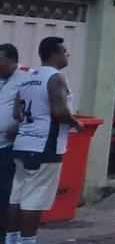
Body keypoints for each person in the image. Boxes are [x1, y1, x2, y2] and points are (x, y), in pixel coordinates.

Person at [7, 37, 80, 244]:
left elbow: (17, 114)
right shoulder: (56, 77)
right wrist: (76, 123)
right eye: (65, 51)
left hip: (22, 143)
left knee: (17, 197)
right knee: (34, 200)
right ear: (54, 53)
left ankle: (11, 239)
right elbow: (59, 112)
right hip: (44, 147)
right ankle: (27, 241)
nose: (67, 54)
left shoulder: (27, 78)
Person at [0, 45, 23, 238]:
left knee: (5, 194)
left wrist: (18, 126)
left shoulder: (26, 78)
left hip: (8, 148)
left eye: (1, 61)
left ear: (12, 60)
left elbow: (36, 109)